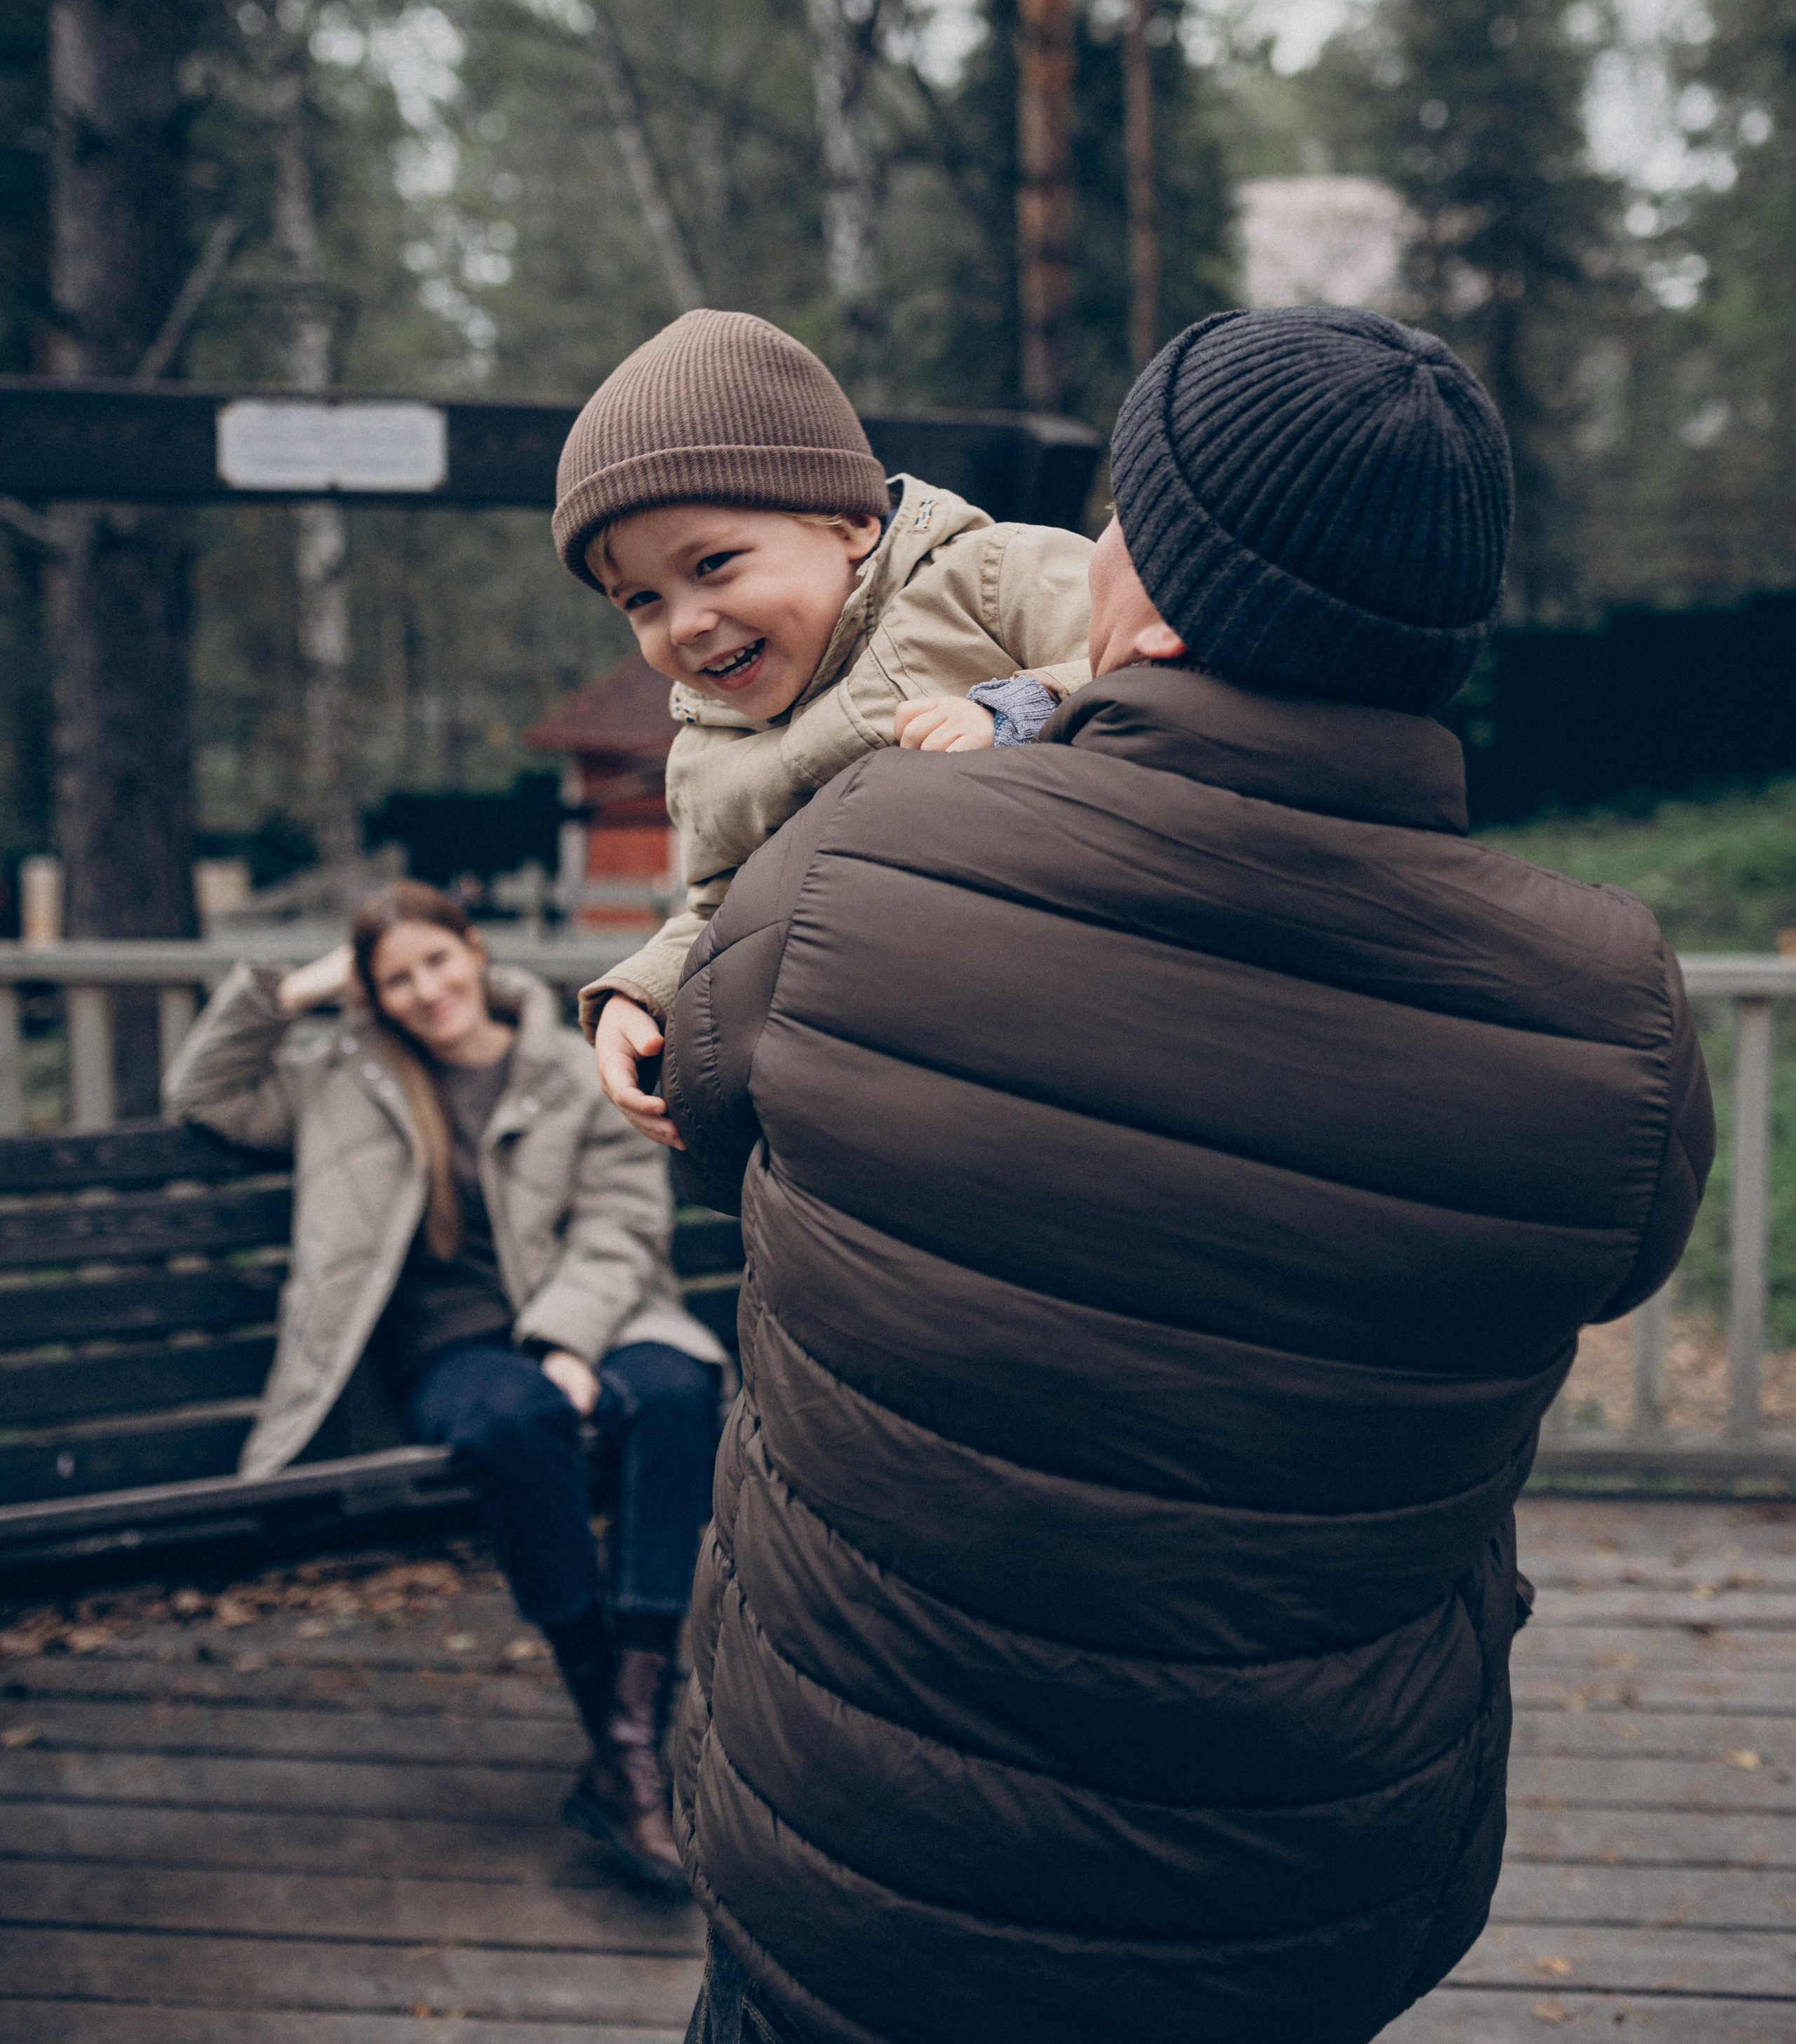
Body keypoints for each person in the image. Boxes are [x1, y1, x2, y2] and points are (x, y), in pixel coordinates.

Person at [658, 307, 1715, 2044]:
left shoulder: (866, 850)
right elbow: (1613, 1258)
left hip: (849, 1870)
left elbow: (708, 1114)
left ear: (1143, 594)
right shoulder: (1611, 1007)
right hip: (1295, 1902)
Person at [162, 880, 726, 1897]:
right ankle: (626, 1736)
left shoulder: (569, 1065)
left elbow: (620, 1225)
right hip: (452, 1350)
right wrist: (298, 988)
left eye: (436, 960)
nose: (426, 990)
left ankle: (627, 1732)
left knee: (679, 1386)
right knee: (515, 1419)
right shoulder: (341, 1079)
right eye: (395, 979)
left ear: (474, 951)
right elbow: (201, 1091)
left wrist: (564, 1337)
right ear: (372, 994)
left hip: (597, 1314)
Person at [548, 305, 1094, 1142]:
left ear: (847, 522)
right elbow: (720, 909)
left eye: (713, 565)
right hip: (895, 1062)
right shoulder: (706, 755)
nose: (687, 622)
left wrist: (1022, 711)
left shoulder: (980, 582)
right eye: (643, 601)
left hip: (1069, 971)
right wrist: (644, 992)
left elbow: (1153, 657)